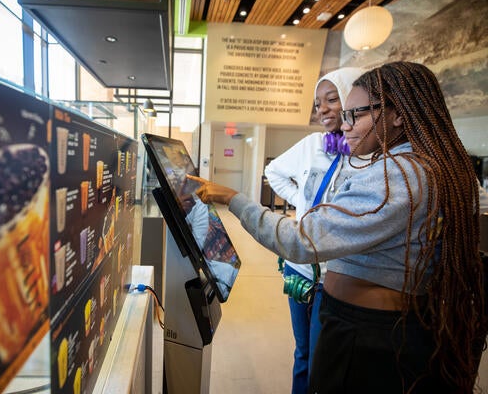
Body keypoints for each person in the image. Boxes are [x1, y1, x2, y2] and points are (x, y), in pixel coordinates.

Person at [189, 61, 486, 393]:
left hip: (366, 337)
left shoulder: (397, 175)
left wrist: (232, 198)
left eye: (354, 115)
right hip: (376, 330)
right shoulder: (418, 166)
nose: (344, 126)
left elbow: (301, 240)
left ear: (398, 114)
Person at [263, 66, 364, 394]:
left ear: (354, 98)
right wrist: (303, 205)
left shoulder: (370, 156)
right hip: (300, 268)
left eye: (331, 99)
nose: (321, 109)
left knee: (327, 359)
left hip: (338, 275)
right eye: (318, 103)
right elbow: (274, 171)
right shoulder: (312, 145)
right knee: (304, 352)